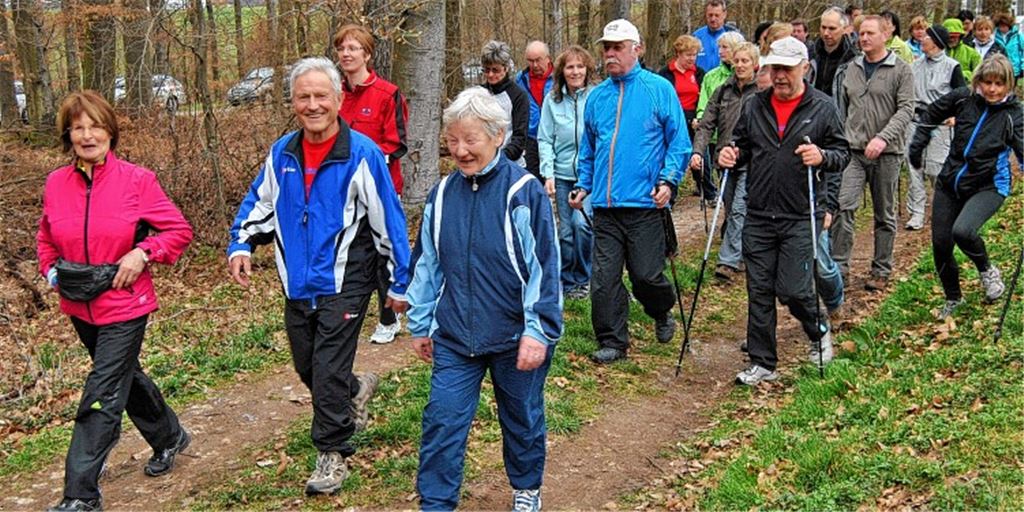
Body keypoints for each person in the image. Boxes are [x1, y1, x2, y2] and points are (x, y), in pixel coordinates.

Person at [227, 57, 410, 495]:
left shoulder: (362, 154)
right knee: (308, 365)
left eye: (320, 96)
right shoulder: (282, 152)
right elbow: (260, 202)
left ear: (338, 99)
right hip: (297, 281)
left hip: (346, 280)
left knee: (325, 370)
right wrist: (241, 243)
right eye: (303, 96)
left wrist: (400, 281)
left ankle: (332, 453)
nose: (312, 105)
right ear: (292, 102)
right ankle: (355, 388)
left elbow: (390, 222)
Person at [38, 90, 194, 512]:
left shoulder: (137, 180)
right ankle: (169, 436)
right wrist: (51, 271)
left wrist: (142, 252)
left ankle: (80, 494)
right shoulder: (56, 183)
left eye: (96, 126)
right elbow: (46, 237)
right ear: (67, 135)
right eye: (78, 127)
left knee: (102, 391)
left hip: (125, 304)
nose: (88, 135)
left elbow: (178, 231)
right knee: (126, 377)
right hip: (78, 303)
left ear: (110, 131)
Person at [408, 86, 561, 512]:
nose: (460, 150)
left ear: (497, 136)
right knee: (442, 420)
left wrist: (539, 331)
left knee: (522, 417)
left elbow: (545, 268)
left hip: (516, 336)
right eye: (452, 139)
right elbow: (427, 263)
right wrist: (420, 324)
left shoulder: (523, 192)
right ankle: (436, 504)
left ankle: (527, 486)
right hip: (456, 335)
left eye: (470, 139)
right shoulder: (441, 195)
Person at [719, 37, 850, 385]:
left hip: (800, 213)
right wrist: (731, 154)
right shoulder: (755, 105)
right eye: (774, 68)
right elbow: (742, 145)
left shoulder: (823, 107)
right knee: (759, 289)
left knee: (792, 289)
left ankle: (818, 329)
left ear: (804, 69)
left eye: (786, 69)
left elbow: (842, 153)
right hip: (759, 212)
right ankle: (763, 364)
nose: (779, 76)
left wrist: (822, 156)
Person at [568, 18, 691, 364]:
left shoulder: (659, 89)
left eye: (617, 47)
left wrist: (668, 181)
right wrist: (582, 185)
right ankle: (613, 341)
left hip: (645, 205)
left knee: (646, 277)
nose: (610, 54)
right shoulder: (597, 99)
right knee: (603, 281)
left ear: (636, 49)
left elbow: (678, 143)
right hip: (605, 208)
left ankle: (661, 310)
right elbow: (589, 150)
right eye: (606, 47)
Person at [908, 55, 1023, 319]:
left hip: (989, 185)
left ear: (1008, 85)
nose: (992, 89)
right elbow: (932, 113)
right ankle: (953, 298)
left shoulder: (1014, 115)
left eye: (999, 84)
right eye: (987, 82)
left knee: (963, 231)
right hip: (951, 182)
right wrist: (918, 144)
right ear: (978, 81)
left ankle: (987, 271)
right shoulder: (963, 99)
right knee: (940, 243)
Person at [334, 24, 409, 344]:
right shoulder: (333, 94)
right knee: (351, 255)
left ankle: (389, 317)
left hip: (381, 190)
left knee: (384, 255)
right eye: (342, 49)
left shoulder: (388, 93)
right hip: (341, 193)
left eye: (353, 48)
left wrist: (370, 164)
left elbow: (397, 143)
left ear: (366, 54)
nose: (346, 54)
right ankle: (347, 315)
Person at [830, 15, 916, 292]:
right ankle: (839, 267)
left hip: (887, 152)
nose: (863, 38)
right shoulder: (850, 69)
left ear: (884, 35)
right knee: (843, 206)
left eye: (869, 33)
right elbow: (841, 108)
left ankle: (881, 269)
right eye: (860, 34)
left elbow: (906, 110)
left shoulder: (901, 69)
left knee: (885, 214)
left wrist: (883, 137)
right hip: (853, 152)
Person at [690, 42, 761, 282]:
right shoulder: (722, 91)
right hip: (725, 158)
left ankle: (727, 261)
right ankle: (743, 252)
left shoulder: (762, 92)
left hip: (753, 159)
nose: (740, 65)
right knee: (731, 208)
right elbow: (706, 124)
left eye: (745, 61)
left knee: (741, 207)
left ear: (755, 64)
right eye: (737, 61)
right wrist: (697, 152)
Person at [539, 45, 597, 300]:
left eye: (580, 66)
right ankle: (568, 280)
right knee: (565, 233)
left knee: (582, 225)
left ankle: (585, 277)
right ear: (562, 71)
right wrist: (548, 173)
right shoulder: (552, 100)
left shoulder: (597, 96)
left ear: (588, 69)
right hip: (562, 174)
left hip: (591, 175)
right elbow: (544, 138)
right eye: (570, 67)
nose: (575, 72)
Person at [904, 24, 966, 231]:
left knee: (935, 168)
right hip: (916, 121)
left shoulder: (952, 66)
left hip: (940, 124)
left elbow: (963, 96)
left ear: (937, 42)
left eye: (927, 36)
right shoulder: (914, 65)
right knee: (914, 167)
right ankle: (917, 213)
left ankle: (943, 208)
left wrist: (956, 117)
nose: (922, 38)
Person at [694, 31, 746, 201]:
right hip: (717, 140)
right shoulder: (711, 77)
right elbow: (705, 105)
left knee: (741, 203)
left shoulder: (750, 79)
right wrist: (700, 118)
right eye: (719, 47)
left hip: (743, 147)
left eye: (725, 47)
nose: (720, 51)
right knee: (728, 197)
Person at [480, 40, 529, 167]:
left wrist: (498, 160)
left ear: (506, 68)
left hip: (510, 164)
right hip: (481, 162)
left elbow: (520, 138)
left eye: (495, 70)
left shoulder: (518, 96)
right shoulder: (478, 93)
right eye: (486, 70)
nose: (490, 75)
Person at [516, 41, 555, 181]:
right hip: (530, 138)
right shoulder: (520, 79)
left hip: (554, 139)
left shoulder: (559, 79)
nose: (535, 65)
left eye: (538, 60)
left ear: (548, 58)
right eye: (531, 61)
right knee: (532, 181)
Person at [658, 35, 705, 139]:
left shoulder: (699, 73)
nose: (692, 58)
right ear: (678, 54)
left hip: (693, 124)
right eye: (688, 55)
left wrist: (699, 118)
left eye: (694, 55)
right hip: (672, 120)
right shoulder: (665, 73)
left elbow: (704, 99)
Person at [813, 6, 858, 97]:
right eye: (823, 27)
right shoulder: (812, 55)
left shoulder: (853, 58)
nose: (826, 33)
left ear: (844, 29)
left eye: (832, 28)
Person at [694, 0, 740, 72]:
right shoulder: (697, 36)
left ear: (724, 14)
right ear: (706, 14)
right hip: (702, 81)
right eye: (710, 15)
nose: (713, 19)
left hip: (726, 80)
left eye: (717, 15)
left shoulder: (734, 37)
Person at [993, 12, 1024, 79]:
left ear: (1009, 25)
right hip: (1000, 69)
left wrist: (1022, 67)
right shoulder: (994, 36)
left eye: (1004, 26)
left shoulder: (1018, 36)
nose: (1002, 28)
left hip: (1014, 69)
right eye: (1000, 26)